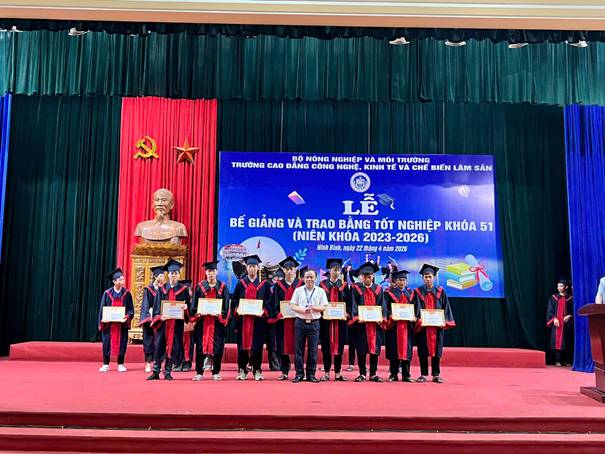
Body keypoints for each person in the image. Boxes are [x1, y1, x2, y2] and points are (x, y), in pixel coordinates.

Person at [147, 259, 191, 381]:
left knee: (172, 347)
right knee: (159, 346)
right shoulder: (161, 289)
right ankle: (156, 371)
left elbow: (188, 306)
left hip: (176, 324)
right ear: (168, 274)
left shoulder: (184, 290)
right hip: (163, 324)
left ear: (179, 275)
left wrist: (186, 308)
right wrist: (160, 317)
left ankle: (167, 371)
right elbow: (156, 306)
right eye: (171, 273)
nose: (173, 276)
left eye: (176, 273)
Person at [413, 264, 456, 383]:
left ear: (434, 277)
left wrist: (444, 321)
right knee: (423, 351)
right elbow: (416, 308)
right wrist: (419, 320)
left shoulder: (440, 292)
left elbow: (446, 307)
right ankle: (423, 374)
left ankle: (436, 374)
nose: (428, 279)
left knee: (437, 350)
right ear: (422, 277)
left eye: (430, 277)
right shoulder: (418, 292)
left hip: (437, 327)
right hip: (423, 327)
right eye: (426, 277)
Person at [231, 254, 272, 381]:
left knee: (257, 346)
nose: (252, 268)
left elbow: (268, 302)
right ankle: (242, 370)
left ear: (258, 268)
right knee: (242, 346)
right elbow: (235, 300)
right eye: (250, 266)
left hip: (258, 321)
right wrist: (237, 308)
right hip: (243, 320)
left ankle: (257, 370)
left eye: (254, 266)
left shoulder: (264, 285)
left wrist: (263, 311)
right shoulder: (240, 283)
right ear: (246, 268)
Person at [348, 262, 388, 382]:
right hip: (361, 325)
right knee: (361, 350)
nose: (367, 278)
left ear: (373, 276)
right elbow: (353, 305)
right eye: (365, 276)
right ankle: (362, 373)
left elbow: (383, 305)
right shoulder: (356, 289)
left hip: (375, 326)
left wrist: (382, 318)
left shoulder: (379, 289)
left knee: (374, 350)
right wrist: (356, 318)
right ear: (361, 276)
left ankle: (373, 374)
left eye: (369, 276)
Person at [191, 261, 230, 381]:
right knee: (200, 347)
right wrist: (197, 312)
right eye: (209, 271)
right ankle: (199, 372)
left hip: (217, 322)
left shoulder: (223, 287)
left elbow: (226, 306)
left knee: (217, 347)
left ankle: (216, 372)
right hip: (202, 322)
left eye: (213, 271)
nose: (211, 273)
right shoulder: (199, 287)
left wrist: (220, 313)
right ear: (206, 273)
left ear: (217, 272)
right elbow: (194, 304)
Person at [290, 268, 328, 383]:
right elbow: (292, 305)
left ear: (315, 278)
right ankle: (299, 374)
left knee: (313, 350)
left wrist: (314, 308)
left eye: (311, 277)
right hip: (300, 322)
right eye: (307, 277)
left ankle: (311, 374)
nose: (309, 279)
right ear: (303, 278)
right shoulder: (298, 291)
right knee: (299, 349)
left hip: (314, 323)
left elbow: (324, 307)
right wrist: (302, 310)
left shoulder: (320, 291)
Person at [270, 256, 304, 380]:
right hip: (283, 321)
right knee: (282, 346)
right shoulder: (278, 285)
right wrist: (278, 313)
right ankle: (284, 371)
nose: (289, 271)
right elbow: (274, 302)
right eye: (287, 269)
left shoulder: (301, 284)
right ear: (283, 270)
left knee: (298, 346)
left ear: (295, 270)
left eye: (291, 269)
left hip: (298, 320)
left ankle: (299, 372)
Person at [98, 267, 135, 373]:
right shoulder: (107, 293)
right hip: (109, 325)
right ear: (114, 281)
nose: (122, 281)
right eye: (120, 280)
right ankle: (105, 364)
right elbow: (102, 308)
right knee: (107, 343)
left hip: (121, 325)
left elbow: (131, 310)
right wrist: (103, 319)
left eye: (123, 279)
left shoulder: (127, 294)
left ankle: (121, 364)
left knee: (122, 343)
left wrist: (127, 317)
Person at [319, 258, 349, 381]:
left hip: (340, 321)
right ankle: (326, 372)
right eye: (334, 269)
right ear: (329, 270)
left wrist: (347, 313)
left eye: (338, 269)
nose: (336, 272)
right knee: (326, 346)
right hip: (326, 321)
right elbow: (318, 301)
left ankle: (337, 373)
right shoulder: (322, 285)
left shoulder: (344, 286)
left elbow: (349, 302)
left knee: (339, 347)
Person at [384, 270, 415, 382]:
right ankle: (393, 374)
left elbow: (415, 308)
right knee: (394, 349)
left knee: (407, 349)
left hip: (407, 326)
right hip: (394, 326)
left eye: (404, 280)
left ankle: (406, 375)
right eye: (400, 280)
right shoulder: (389, 293)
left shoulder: (411, 293)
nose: (402, 282)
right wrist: (390, 315)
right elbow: (385, 308)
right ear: (395, 281)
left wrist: (414, 316)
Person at [139, 265, 165, 373]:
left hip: (160, 319)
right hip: (150, 319)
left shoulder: (164, 289)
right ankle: (148, 363)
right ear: (155, 277)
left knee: (160, 341)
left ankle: (158, 363)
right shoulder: (148, 290)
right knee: (149, 341)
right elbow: (145, 305)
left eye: (163, 276)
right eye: (160, 276)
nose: (162, 278)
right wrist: (148, 317)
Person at [546, 279, 574, 366]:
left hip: (567, 324)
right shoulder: (553, 298)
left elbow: (574, 310)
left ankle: (567, 360)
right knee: (557, 342)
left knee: (567, 341)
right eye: (558, 286)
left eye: (561, 286)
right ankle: (558, 360)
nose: (559, 288)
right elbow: (550, 310)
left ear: (566, 287)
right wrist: (554, 319)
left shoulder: (571, 299)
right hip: (557, 324)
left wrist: (569, 316)